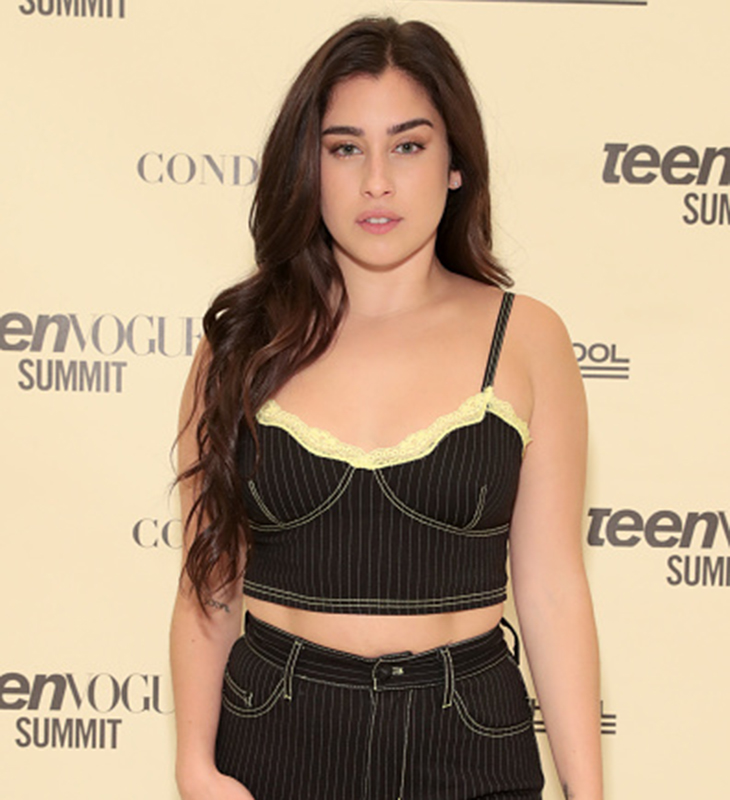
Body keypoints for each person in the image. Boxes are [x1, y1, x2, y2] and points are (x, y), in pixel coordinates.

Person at [170, 16, 602, 800]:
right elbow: (211, 580)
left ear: (456, 164)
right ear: (308, 166)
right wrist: (196, 768)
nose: (377, 180)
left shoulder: (527, 337)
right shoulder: (239, 345)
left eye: (408, 146)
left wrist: (589, 793)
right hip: (274, 739)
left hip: (469, 744)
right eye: (345, 148)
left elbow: (550, 589)